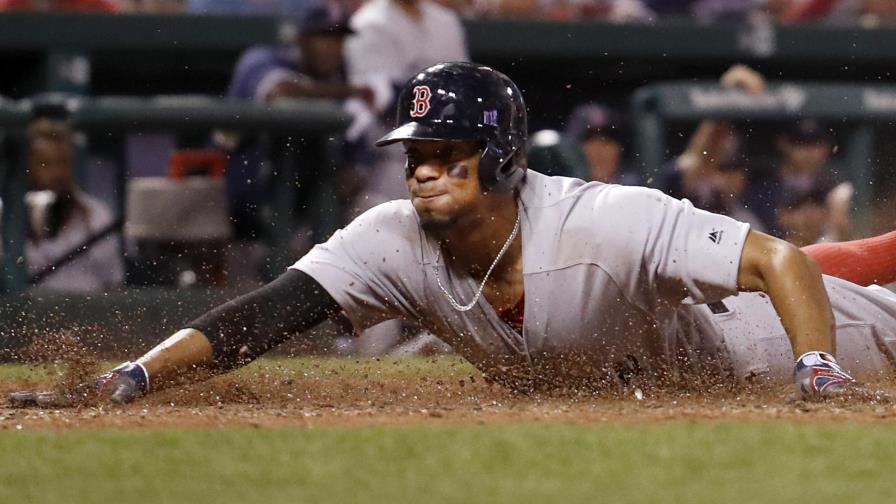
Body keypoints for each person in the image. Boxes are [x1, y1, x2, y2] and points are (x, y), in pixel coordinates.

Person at [12, 62, 896, 408]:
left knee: (857, 284)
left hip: (759, 343)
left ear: (500, 154)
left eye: (447, 152)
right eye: (415, 154)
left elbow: (777, 259)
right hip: (668, 354)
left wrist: (816, 367)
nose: (424, 169)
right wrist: (135, 374)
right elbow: (263, 315)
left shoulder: (601, 219)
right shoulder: (390, 240)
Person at [24, 118, 124, 294]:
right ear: (28, 166)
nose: (57, 173)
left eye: (63, 162)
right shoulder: (9, 220)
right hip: (31, 309)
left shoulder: (97, 214)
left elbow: (115, 286)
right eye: (46, 163)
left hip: (91, 309)